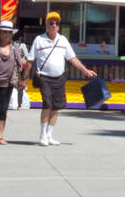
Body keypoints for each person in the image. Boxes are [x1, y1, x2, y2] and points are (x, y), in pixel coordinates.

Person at [26, 11, 95, 146]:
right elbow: (30, 60)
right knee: (47, 105)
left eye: (56, 23)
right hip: (44, 77)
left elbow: (72, 58)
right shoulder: (39, 40)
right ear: (46, 24)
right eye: (51, 23)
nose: (54, 26)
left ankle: (50, 135)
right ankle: (42, 135)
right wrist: (24, 78)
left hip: (59, 78)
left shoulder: (62, 40)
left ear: (59, 26)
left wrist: (85, 70)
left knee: (56, 107)